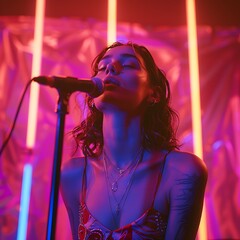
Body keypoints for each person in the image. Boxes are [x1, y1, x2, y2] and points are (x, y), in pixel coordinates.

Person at [60, 41, 208, 240]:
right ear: (93, 96)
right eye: (102, 67)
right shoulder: (74, 175)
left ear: (153, 94)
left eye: (129, 65)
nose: (110, 68)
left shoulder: (182, 171)